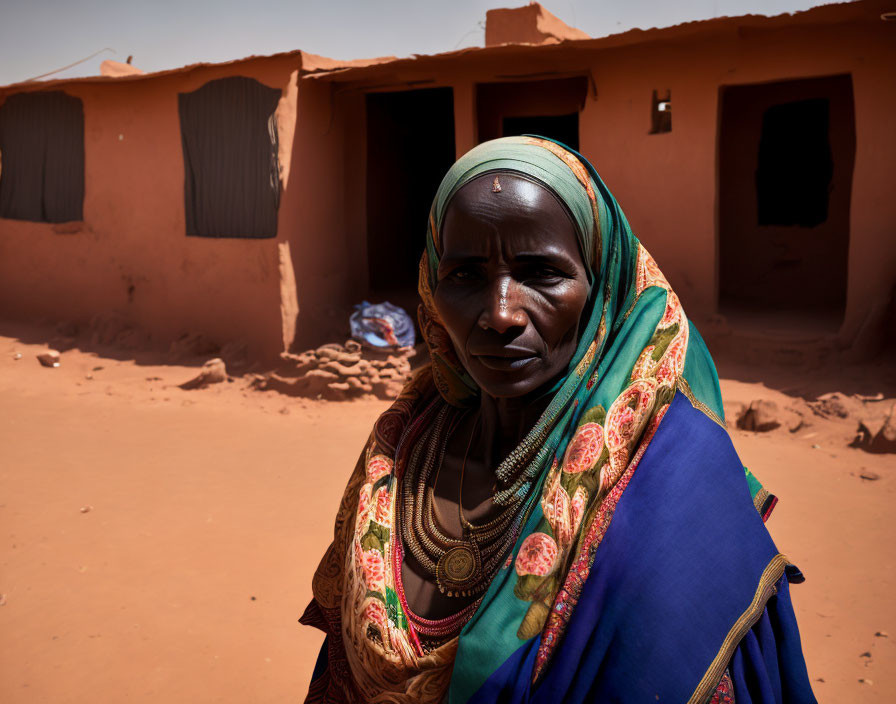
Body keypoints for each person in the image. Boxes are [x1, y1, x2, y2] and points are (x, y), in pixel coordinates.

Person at [300, 136, 816, 703]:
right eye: (466, 276)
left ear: (603, 286)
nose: (500, 314)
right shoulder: (399, 450)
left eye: (542, 273)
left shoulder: (675, 488)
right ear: (432, 283)